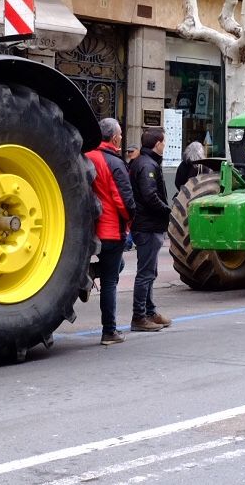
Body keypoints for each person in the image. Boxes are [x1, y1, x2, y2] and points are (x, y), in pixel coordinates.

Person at [85, 118, 136, 345]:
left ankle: (88, 272)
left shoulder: (88, 156)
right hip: (111, 231)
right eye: (121, 134)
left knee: (116, 267)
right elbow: (123, 201)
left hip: (89, 230)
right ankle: (109, 331)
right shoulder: (113, 162)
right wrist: (131, 220)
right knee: (110, 282)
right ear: (114, 137)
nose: (122, 138)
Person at [125, 127, 171, 333]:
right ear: (157, 143)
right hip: (148, 225)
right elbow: (150, 196)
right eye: (164, 142)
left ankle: (150, 311)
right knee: (145, 273)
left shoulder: (144, 163)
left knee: (150, 271)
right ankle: (139, 315)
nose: (165, 145)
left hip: (149, 224)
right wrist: (167, 211)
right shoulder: (147, 165)